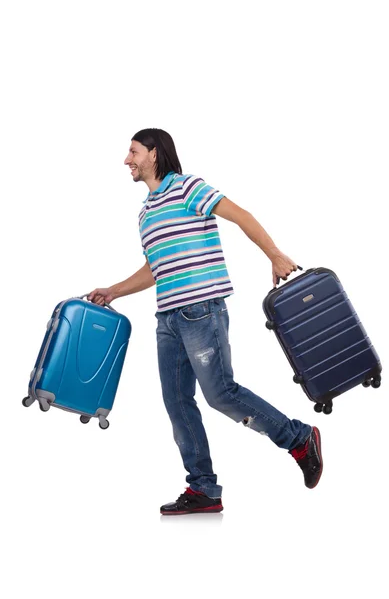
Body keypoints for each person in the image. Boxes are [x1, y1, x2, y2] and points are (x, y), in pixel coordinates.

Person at [88, 128, 323, 516]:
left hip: (201, 310)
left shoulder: (187, 188)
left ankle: (298, 438)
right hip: (167, 318)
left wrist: (275, 255)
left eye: (132, 151)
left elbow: (240, 215)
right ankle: (203, 489)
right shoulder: (146, 212)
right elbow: (155, 268)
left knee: (221, 393)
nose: (126, 160)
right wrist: (113, 291)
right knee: (177, 401)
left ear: (154, 153)